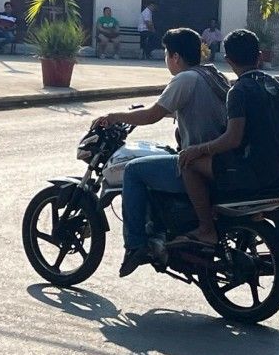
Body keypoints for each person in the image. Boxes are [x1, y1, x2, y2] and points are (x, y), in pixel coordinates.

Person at [93, 28, 230, 277]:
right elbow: (173, 108)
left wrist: (114, 117)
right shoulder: (212, 74)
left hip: (198, 162)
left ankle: (135, 245)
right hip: (220, 160)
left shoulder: (185, 79)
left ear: (175, 57)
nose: (166, 59)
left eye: (167, 54)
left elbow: (152, 115)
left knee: (134, 171)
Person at [178, 29, 279, 251]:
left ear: (228, 60)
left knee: (189, 164)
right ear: (260, 55)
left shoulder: (238, 91)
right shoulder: (277, 87)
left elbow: (232, 139)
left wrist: (197, 149)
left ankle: (206, 229)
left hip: (255, 173)